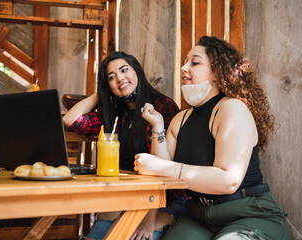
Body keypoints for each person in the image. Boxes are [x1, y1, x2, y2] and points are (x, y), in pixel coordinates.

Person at [135, 36, 291, 239]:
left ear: (217, 73)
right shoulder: (180, 119)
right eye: (185, 61)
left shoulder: (232, 108)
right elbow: (163, 177)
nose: (184, 67)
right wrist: (157, 126)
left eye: (195, 62)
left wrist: (160, 167)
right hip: (200, 217)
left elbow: (228, 181)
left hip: (248, 215)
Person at [63, 51, 181, 240]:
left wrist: (148, 222)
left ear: (137, 72)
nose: (119, 78)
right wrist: (102, 93)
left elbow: (163, 171)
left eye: (124, 70)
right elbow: (71, 120)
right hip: (127, 197)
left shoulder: (163, 107)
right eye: (111, 77)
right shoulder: (116, 115)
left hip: (164, 200)